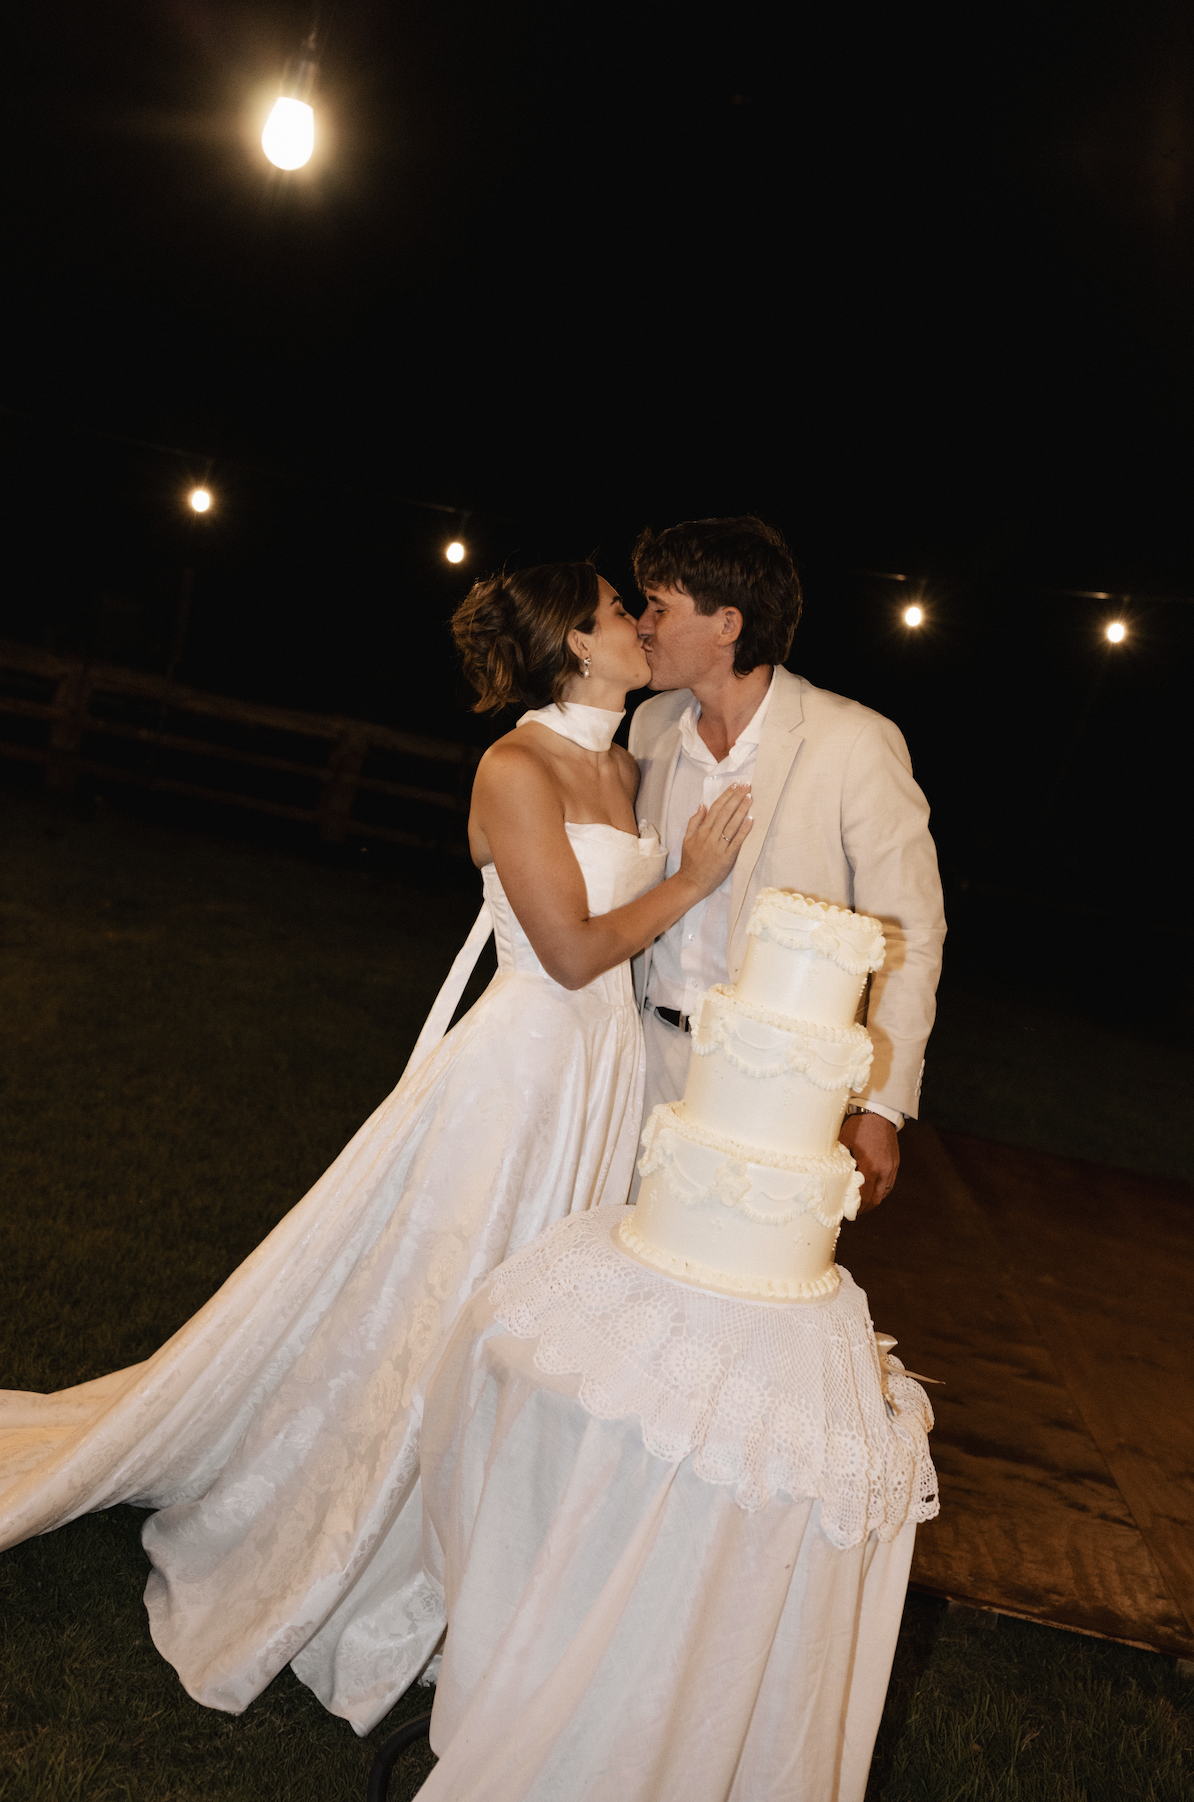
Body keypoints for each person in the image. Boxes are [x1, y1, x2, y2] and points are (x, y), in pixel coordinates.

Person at [0, 561, 751, 1736]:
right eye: (618, 611)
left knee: (531, 1318)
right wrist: (695, 876)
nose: (639, 623)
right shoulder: (517, 765)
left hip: (596, 1079)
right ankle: (354, 1525)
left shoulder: (621, 758)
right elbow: (565, 947)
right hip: (517, 1077)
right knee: (439, 1305)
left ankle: (480, 1541)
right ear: (572, 642)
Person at [628, 517, 946, 1208]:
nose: (641, 626)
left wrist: (879, 1106)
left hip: (772, 1086)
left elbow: (907, 937)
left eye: (660, 607)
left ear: (727, 625)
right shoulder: (649, 727)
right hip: (638, 1059)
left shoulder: (855, 742)